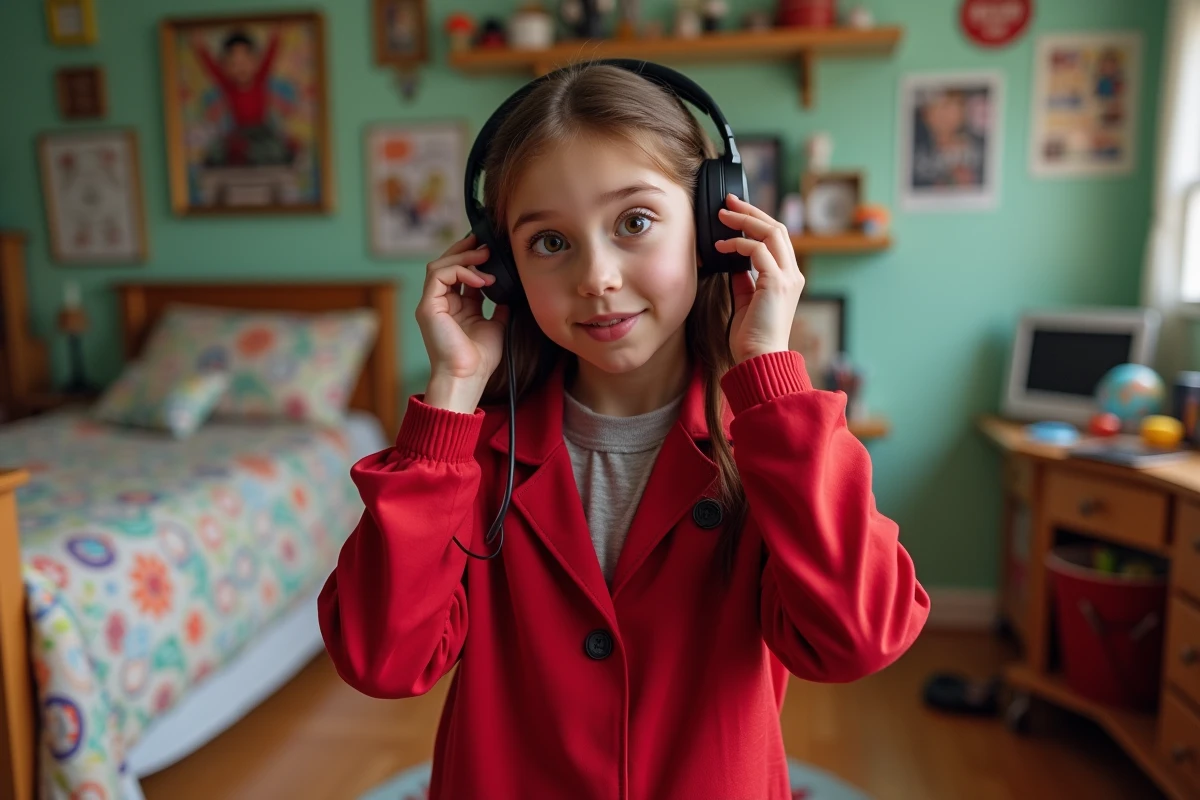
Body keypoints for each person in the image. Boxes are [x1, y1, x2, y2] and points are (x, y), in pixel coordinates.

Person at [318, 61, 929, 800]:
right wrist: (450, 393)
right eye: (549, 242)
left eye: (634, 222)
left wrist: (770, 371)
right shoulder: (465, 457)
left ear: (713, 229)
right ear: (501, 269)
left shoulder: (771, 445)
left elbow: (857, 637)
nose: (597, 277)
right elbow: (381, 660)